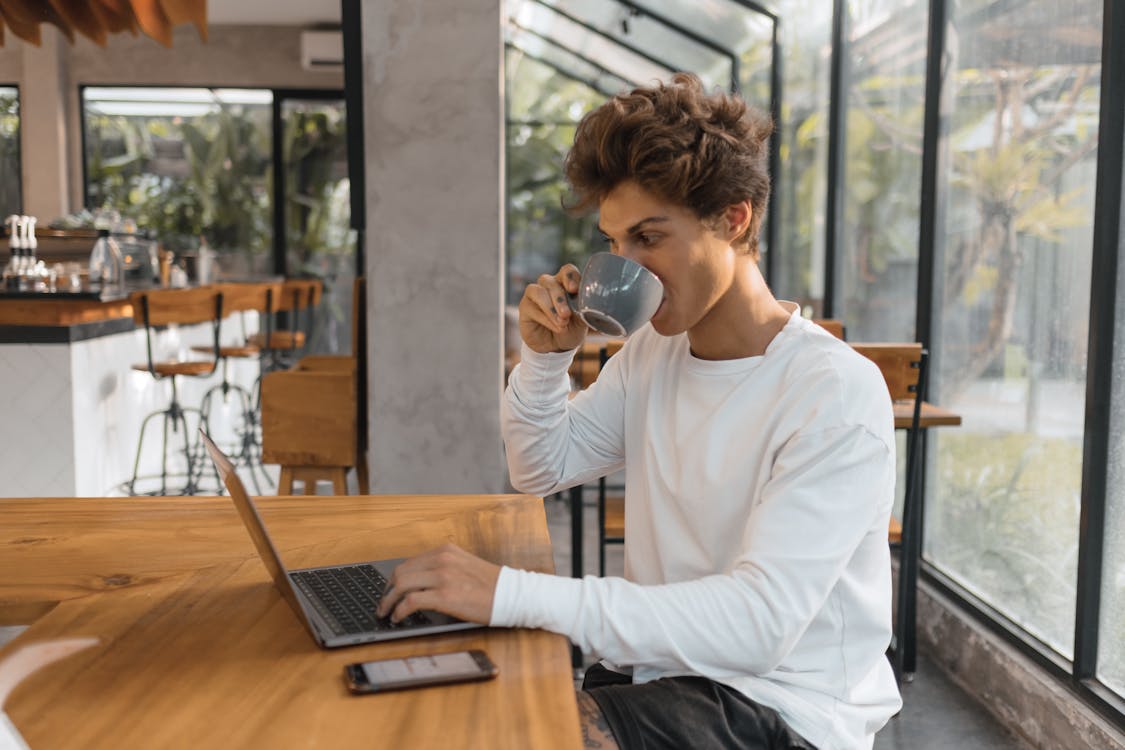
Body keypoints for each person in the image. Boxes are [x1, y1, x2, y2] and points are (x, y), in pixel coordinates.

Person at [377, 73, 902, 749]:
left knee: (514, 730)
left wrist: (512, 594)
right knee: (449, 702)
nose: (626, 265)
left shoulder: (832, 392)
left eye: (648, 238)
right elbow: (541, 466)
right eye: (614, 242)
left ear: (733, 218)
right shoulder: (655, 352)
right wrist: (542, 360)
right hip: (655, 673)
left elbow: (758, 625)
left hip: (780, 706)